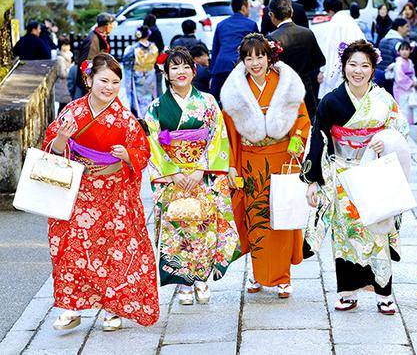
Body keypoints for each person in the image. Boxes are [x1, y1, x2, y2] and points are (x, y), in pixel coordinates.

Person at [44, 53, 160, 332]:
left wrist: (127, 156)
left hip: (114, 194)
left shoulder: (124, 118)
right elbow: (50, 151)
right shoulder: (72, 112)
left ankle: (112, 307)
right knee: (71, 249)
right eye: (103, 81)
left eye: (116, 82)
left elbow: (143, 152)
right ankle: (70, 307)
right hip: (78, 193)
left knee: (114, 250)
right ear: (88, 80)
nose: (109, 87)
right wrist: (61, 140)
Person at [302, 39, 409, 312]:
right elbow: (318, 138)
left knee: (377, 231)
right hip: (343, 173)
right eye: (352, 64)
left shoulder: (384, 100)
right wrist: (314, 180)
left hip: (374, 173)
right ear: (344, 66)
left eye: (364, 65)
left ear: (373, 68)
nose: (357, 71)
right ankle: (348, 290)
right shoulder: (331, 101)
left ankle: (383, 291)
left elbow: (401, 133)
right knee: (346, 235)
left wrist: (385, 141)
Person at [145, 47, 240, 306]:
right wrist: (173, 173)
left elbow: (218, 137)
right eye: (174, 67)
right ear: (166, 73)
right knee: (177, 227)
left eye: (186, 66)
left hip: (202, 174)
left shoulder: (208, 102)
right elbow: (152, 143)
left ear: (194, 70)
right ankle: (182, 282)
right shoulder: (155, 108)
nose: (181, 71)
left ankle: (202, 279)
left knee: (204, 224)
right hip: (173, 175)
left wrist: (200, 169)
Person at [220, 33, 310, 299]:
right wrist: (232, 165)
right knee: (255, 217)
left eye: (260, 56)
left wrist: (296, 144)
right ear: (243, 61)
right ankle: (259, 274)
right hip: (251, 161)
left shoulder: (284, 85)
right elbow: (230, 133)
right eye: (249, 57)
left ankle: (283, 276)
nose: (255, 62)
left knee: (281, 215)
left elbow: (301, 118)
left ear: (270, 57)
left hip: (281, 158)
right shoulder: (237, 90)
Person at [268, 0, 326, 118]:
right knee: (308, 127)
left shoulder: (272, 38)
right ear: (291, 11)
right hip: (306, 89)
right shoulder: (307, 33)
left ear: (272, 15)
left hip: (282, 91)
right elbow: (320, 60)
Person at [210, 0, 259, 102]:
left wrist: (212, 74)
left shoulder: (221, 24)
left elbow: (215, 50)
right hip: (239, 66)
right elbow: (257, 49)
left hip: (221, 67)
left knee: (215, 102)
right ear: (243, 7)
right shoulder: (251, 25)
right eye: (249, 7)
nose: (249, 10)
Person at [318, 0, 365, 99]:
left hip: (340, 68)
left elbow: (329, 49)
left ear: (330, 11)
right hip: (356, 65)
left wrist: (323, 70)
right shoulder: (350, 21)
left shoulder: (335, 23)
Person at [74, 12, 116, 99]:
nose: (112, 27)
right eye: (111, 24)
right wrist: (90, 85)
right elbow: (86, 64)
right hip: (89, 84)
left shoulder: (100, 36)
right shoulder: (93, 40)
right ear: (106, 26)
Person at [122, 25, 159, 117]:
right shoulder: (153, 47)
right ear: (148, 35)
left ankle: (140, 116)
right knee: (149, 96)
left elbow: (126, 62)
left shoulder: (133, 48)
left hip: (138, 75)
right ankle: (149, 115)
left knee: (138, 98)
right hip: (150, 74)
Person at [393, 41, 417, 124]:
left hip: (408, 87)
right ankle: (403, 125)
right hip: (400, 89)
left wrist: (414, 81)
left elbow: (413, 74)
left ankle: (409, 124)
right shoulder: (399, 62)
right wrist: (411, 83)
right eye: (402, 49)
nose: (404, 51)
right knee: (403, 108)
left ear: (410, 50)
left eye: (407, 49)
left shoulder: (410, 61)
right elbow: (399, 78)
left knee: (409, 108)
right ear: (398, 51)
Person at [401, 2, 417, 77]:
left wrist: (408, 33)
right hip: (404, 45)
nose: (407, 11)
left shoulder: (416, 20)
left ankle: (416, 81)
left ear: (412, 10)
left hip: (413, 47)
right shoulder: (402, 19)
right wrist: (403, 18)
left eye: (409, 9)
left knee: (414, 64)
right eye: (406, 10)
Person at [143, 14, 165, 96]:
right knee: (159, 84)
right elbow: (161, 46)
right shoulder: (156, 31)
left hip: (144, 62)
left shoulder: (142, 31)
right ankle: (160, 102)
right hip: (156, 61)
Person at [55, 36, 73, 114]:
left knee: (66, 107)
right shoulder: (60, 58)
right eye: (64, 45)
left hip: (66, 85)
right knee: (63, 107)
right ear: (61, 46)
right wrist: (71, 69)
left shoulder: (68, 55)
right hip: (62, 86)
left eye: (68, 45)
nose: (67, 47)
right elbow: (62, 74)